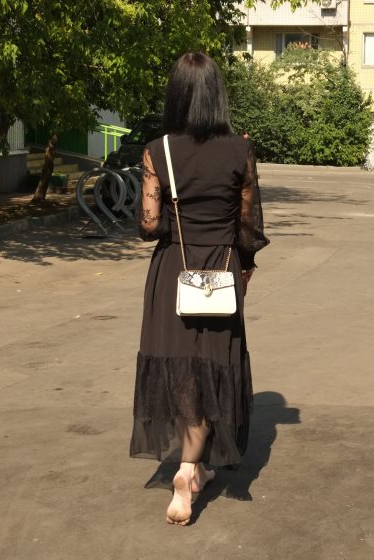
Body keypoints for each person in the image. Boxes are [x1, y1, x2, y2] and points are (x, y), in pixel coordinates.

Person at [129, 52, 269, 526]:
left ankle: (191, 467)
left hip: (174, 270)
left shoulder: (158, 150)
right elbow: (248, 225)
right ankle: (190, 469)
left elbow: (149, 225)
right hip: (222, 271)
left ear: (176, 95)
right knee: (212, 368)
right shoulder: (240, 150)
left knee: (181, 368)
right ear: (216, 95)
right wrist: (245, 267)